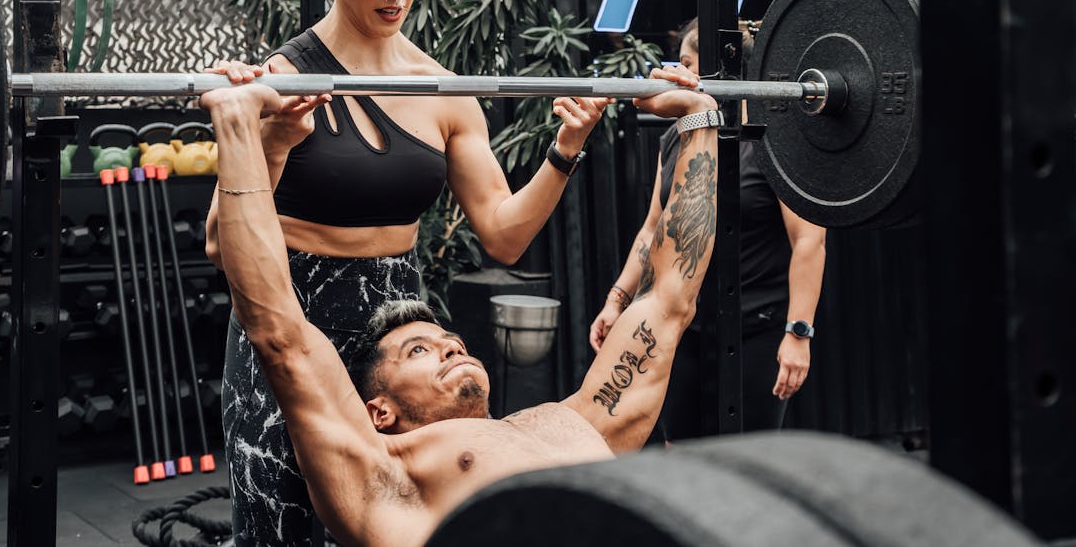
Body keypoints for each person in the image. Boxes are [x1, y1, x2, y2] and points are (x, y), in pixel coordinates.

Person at [206, 0, 611, 545]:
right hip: (292, 320)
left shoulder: (444, 89)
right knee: (286, 529)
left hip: (402, 337)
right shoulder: (279, 77)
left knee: (417, 524)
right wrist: (272, 137)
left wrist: (563, 150)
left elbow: (504, 235)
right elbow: (222, 240)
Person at [200, 65, 719, 547]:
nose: (451, 348)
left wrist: (697, 118)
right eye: (419, 349)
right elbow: (277, 330)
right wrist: (240, 125)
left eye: (450, 341)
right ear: (378, 412)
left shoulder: (573, 422)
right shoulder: (385, 477)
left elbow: (669, 299)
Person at [588, 19, 826, 437]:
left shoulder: (775, 143)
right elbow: (651, 231)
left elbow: (809, 240)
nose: (675, 74)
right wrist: (617, 300)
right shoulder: (675, 139)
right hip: (685, 328)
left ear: (721, 73)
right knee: (681, 451)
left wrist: (799, 333)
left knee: (750, 465)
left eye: (685, 63)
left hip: (758, 329)